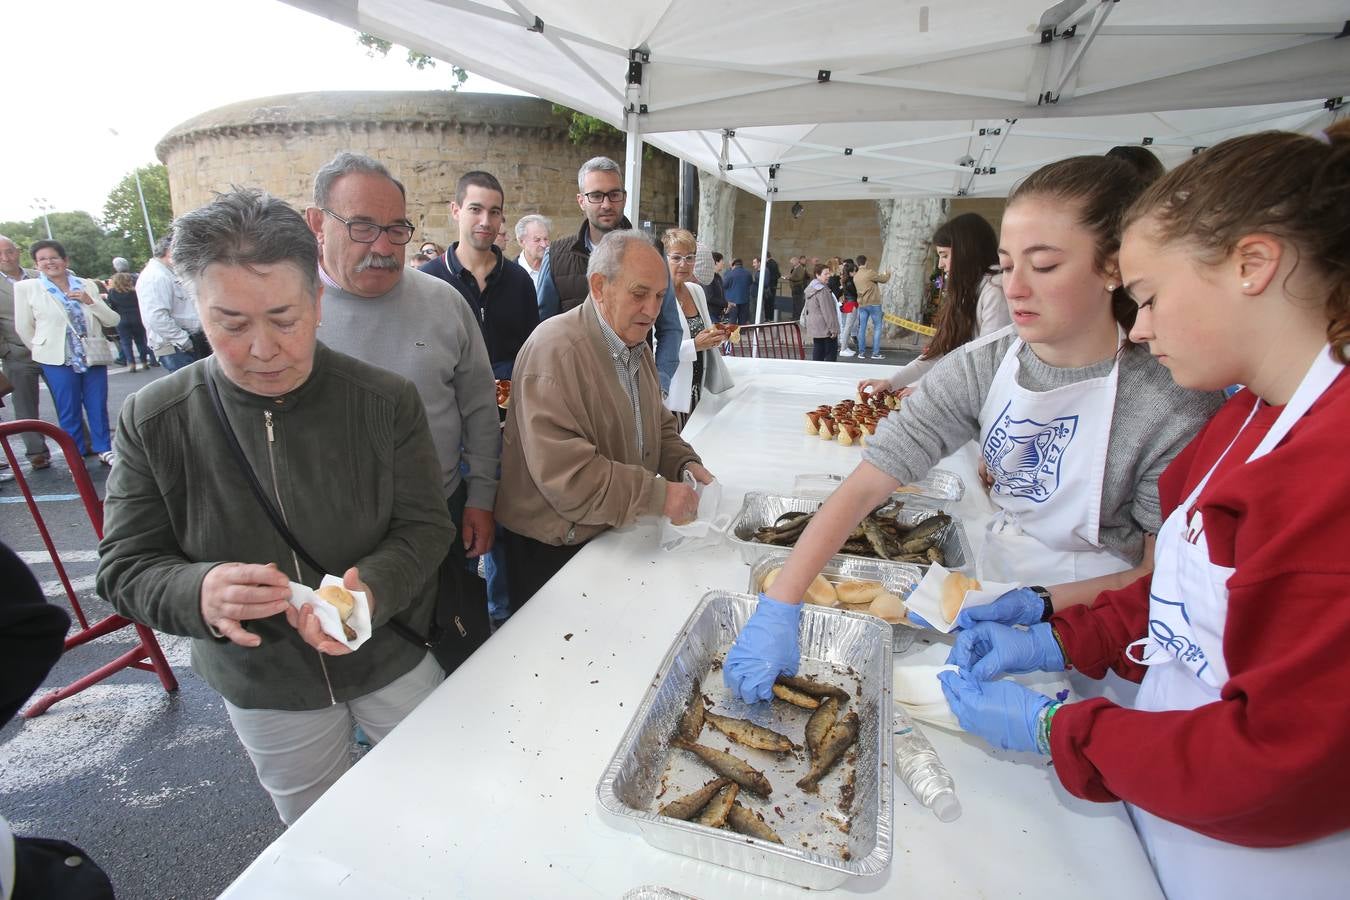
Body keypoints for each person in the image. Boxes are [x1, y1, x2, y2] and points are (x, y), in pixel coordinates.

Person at [940, 125, 1350, 900]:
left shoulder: (1330, 474)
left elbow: (1279, 759)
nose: (1143, 326)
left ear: (1253, 265)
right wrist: (1056, 630)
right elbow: (1173, 596)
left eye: (1151, 298)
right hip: (1165, 791)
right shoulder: (1244, 423)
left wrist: (1061, 732)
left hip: (1262, 860)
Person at [722, 154, 1226, 703]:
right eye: (1008, 266)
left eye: (1046, 266)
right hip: (994, 588)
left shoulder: (1170, 400)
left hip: (1105, 631)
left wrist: (1042, 609)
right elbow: (869, 481)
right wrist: (781, 603)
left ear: (1112, 267)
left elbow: (1158, 577)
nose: (1017, 289)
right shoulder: (985, 363)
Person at [96, 188, 451, 827]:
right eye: (230, 324)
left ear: (318, 302)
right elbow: (124, 566)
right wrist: (197, 590)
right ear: (196, 311)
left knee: (439, 808)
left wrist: (368, 593)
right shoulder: (154, 419)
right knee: (318, 836)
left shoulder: (383, 399)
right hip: (265, 682)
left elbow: (425, 526)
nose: (263, 350)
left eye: (284, 319)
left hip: (389, 652)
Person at [304, 152, 500, 667]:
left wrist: (481, 497)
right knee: (350, 658)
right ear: (317, 223)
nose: (385, 247)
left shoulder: (444, 302)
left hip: (442, 512)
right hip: (333, 535)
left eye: (397, 229)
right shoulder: (289, 313)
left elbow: (480, 408)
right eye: (364, 227)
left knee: (450, 649)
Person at [497, 230, 712, 608]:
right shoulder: (554, 351)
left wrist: (685, 462)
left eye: (660, 297)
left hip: (605, 531)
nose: (652, 310)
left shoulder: (633, 340)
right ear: (599, 286)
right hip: (552, 550)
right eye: (639, 293)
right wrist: (659, 495)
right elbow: (570, 477)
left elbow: (656, 424)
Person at [535, 156, 682, 396]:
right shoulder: (557, 257)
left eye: (614, 194)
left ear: (623, 197)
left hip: (635, 389)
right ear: (581, 200)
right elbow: (544, 330)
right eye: (596, 195)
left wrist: (661, 382)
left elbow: (670, 327)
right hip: (576, 391)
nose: (606, 204)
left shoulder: (652, 252)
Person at [859, 213, 1010, 397]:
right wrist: (891, 382)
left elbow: (984, 364)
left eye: (945, 255)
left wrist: (927, 390)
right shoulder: (970, 290)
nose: (940, 265)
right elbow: (938, 351)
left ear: (966, 252)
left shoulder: (995, 290)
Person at [420, 170, 539, 380]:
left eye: (494, 212)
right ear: (455, 210)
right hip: (451, 408)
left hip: (508, 409)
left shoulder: (519, 281)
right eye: (475, 209)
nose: (485, 221)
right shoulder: (429, 280)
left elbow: (532, 353)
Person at [14, 240, 120, 466]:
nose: (49, 262)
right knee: (68, 408)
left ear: (65, 260)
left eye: (54, 257)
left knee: (96, 403)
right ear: (36, 264)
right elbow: (23, 327)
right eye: (42, 259)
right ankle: (75, 454)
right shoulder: (28, 288)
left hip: (92, 354)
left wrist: (90, 302)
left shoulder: (85, 285)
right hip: (57, 359)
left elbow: (112, 319)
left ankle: (104, 448)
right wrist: (42, 350)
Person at [662, 229, 733, 421]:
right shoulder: (657, 296)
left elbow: (704, 333)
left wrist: (715, 337)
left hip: (698, 390)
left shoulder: (696, 291)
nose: (684, 264)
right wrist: (695, 345)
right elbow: (652, 351)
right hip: (670, 396)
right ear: (664, 259)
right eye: (676, 257)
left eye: (689, 257)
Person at [0, 235, 50, 469]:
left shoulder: (38, 275)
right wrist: (6, 350)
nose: (5, 258)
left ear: (17, 251)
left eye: (9, 251)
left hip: (50, 349)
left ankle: (81, 444)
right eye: (0, 254)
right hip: (17, 354)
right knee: (25, 406)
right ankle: (36, 452)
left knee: (67, 399)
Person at [139, 234, 203, 372]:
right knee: (192, 386)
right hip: (176, 346)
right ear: (169, 252)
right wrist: (184, 341)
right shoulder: (156, 277)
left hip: (182, 343)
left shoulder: (166, 273)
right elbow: (156, 317)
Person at [105, 272, 156, 371]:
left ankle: (131, 363)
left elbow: (111, 307)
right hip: (137, 318)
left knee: (125, 342)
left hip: (121, 319)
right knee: (140, 341)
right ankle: (144, 361)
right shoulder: (135, 292)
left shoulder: (112, 293)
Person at [852, 254, 891, 359]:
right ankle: (875, 353)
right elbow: (883, 279)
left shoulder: (856, 276)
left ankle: (861, 352)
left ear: (858, 263)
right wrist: (888, 274)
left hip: (862, 304)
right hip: (874, 303)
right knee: (877, 327)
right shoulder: (869, 273)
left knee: (862, 329)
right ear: (866, 262)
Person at [800, 262, 839, 361]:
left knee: (818, 349)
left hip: (815, 324)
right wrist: (833, 329)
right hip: (825, 326)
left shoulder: (811, 288)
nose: (828, 276)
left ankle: (816, 371)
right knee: (830, 353)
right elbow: (828, 312)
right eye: (825, 274)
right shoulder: (822, 290)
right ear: (817, 275)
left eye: (828, 273)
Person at [514, 213, 551, 293]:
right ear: (521, 241)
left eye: (546, 239)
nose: (544, 245)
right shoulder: (509, 274)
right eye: (537, 240)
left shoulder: (555, 269)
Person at [838, 259, 860, 356]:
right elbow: (856, 293)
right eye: (854, 271)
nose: (856, 273)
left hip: (850, 303)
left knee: (848, 326)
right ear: (850, 272)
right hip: (851, 304)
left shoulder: (847, 280)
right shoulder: (850, 282)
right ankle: (843, 348)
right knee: (848, 327)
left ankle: (845, 347)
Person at [721, 257, 753, 324]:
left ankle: (733, 334)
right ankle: (742, 333)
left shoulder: (730, 274)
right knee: (743, 320)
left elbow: (723, 285)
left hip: (732, 301)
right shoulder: (748, 273)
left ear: (733, 265)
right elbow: (750, 283)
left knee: (732, 320)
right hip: (745, 300)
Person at [703, 251, 727, 322]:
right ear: (716, 262)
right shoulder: (708, 277)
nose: (723, 263)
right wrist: (725, 303)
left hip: (718, 313)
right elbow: (709, 297)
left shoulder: (718, 277)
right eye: (722, 261)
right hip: (711, 314)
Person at [759, 252, 780, 323]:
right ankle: (771, 317)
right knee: (771, 302)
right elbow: (778, 274)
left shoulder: (768, 264)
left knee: (767, 302)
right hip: (774, 285)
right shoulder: (775, 263)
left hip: (769, 286)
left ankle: (767, 317)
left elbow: (766, 275)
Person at [787, 255, 808, 319]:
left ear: (796, 262)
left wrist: (790, 278)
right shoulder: (795, 268)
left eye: (792, 262)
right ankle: (794, 316)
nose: (792, 264)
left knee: (798, 303)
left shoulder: (800, 268)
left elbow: (800, 278)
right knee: (795, 303)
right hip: (794, 288)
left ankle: (798, 317)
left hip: (798, 288)